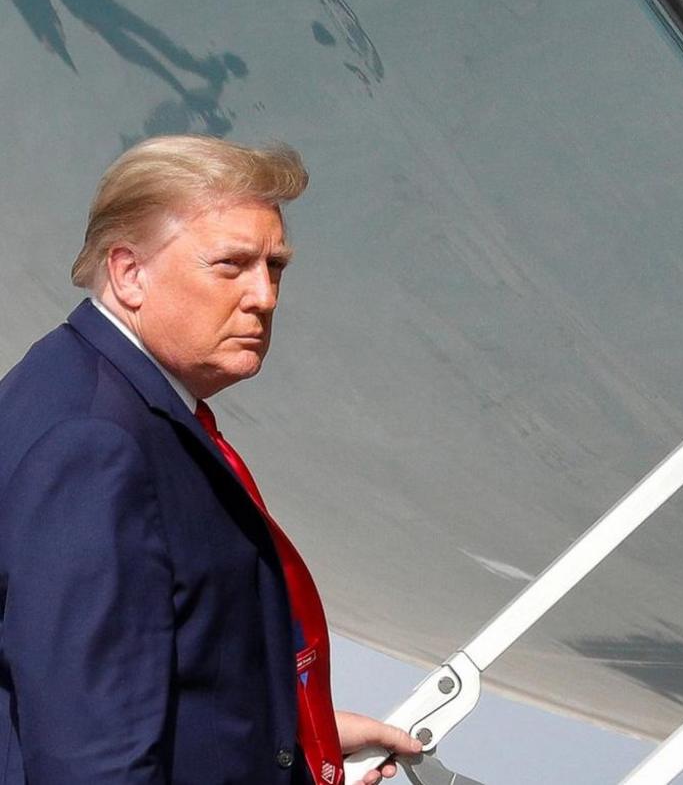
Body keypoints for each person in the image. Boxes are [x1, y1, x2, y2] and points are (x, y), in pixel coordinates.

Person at [0, 136, 421, 785]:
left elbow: (149, 676)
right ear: (129, 273)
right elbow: (90, 761)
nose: (264, 297)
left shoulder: (100, 392)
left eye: (274, 266)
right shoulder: (94, 444)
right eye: (231, 265)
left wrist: (288, 738)